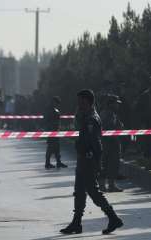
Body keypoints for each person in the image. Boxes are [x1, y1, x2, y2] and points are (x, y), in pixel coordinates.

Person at [60, 89, 123, 235]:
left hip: (89, 160)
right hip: (83, 159)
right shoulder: (84, 116)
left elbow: (96, 143)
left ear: (88, 101)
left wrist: (97, 162)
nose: (79, 104)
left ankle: (113, 218)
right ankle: (76, 223)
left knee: (94, 193)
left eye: (81, 101)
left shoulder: (92, 119)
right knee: (79, 192)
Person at [99, 95, 124, 192]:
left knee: (111, 164)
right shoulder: (107, 114)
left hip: (109, 142)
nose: (118, 105)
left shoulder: (110, 113)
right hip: (109, 143)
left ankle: (109, 185)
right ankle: (106, 185)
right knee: (108, 163)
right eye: (116, 103)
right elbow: (109, 128)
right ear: (111, 104)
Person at [43, 96, 68, 169]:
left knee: (57, 147)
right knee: (50, 147)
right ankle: (47, 163)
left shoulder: (53, 109)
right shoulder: (49, 110)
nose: (57, 105)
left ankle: (58, 162)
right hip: (51, 131)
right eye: (56, 103)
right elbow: (47, 120)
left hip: (55, 130)